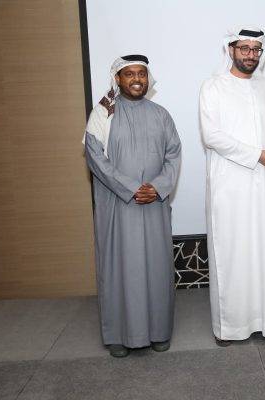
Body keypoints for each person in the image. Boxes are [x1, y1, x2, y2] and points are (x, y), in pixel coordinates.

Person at [199, 27, 265, 345]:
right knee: (233, 253)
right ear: (231, 50)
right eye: (245, 49)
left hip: (263, 185)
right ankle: (229, 326)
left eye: (256, 49)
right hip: (229, 187)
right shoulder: (213, 87)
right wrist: (258, 155)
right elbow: (212, 136)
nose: (251, 55)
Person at [83, 55, 181, 357]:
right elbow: (94, 156)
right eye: (129, 74)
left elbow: (173, 155)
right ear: (118, 79)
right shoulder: (103, 113)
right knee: (118, 268)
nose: (137, 79)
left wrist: (158, 187)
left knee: (156, 267)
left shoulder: (161, 114)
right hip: (118, 205)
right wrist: (130, 188)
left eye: (142, 74)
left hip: (154, 204)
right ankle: (118, 335)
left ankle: (159, 331)